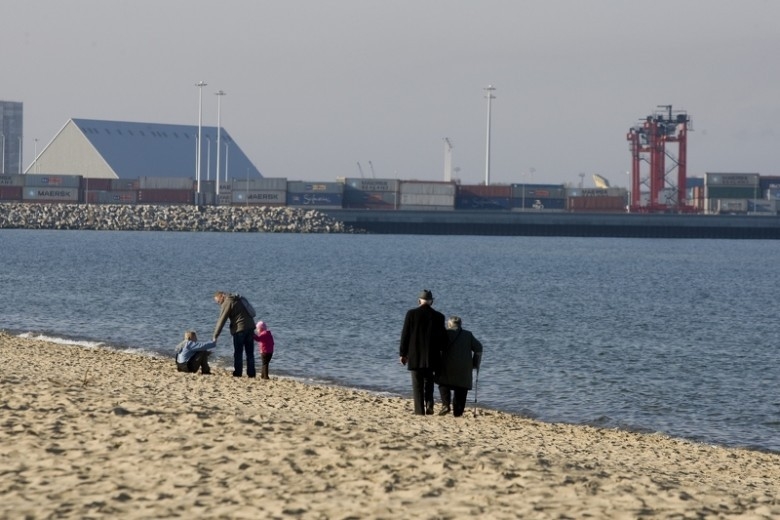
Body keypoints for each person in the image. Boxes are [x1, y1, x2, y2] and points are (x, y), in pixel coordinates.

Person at [399, 289, 448, 415]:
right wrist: (443, 354)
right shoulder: (439, 317)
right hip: (432, 356)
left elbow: (405, 335)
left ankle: (420, 411)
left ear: (419, 300)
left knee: (417, 384)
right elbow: (443, 339)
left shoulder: (411, 314)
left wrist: (403, 354)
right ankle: (430, 403)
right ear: (432, 302)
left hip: (415, 355)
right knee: (429, 381)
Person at [437, 316, 483, 417]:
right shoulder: (468, 334)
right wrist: (475, 363)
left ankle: (446, 404)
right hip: (465, 368)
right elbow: (479, 347)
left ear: (448, 324)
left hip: (447, 366)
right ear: (460, 324)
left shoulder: (444, 333)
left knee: (443, 383)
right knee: (461, 388)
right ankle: (458, 413)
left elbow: (437, 348)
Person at [213, 291, 256, 378]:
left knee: (238, 353)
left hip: (239, 329)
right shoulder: (237, 298)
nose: (219, 303)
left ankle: (238, 373)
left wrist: (215, 335)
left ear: (222, 296)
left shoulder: (227, 302)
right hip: (250, 327)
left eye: (218, 301)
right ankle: (251, 373)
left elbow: (221, 320)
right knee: (250, 353)